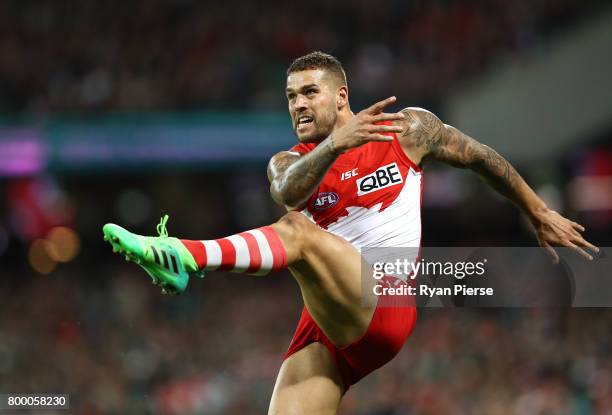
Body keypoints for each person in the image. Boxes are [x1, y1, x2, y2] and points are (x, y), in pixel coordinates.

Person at [102, 51, 598, 414]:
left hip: (385, 299)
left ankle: (182, 255)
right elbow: (286, 191)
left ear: (341, 95)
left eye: (309, 92)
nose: (297, 104)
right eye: (291, 96)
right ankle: (183, 261)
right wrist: (335, 144)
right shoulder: (291, 162)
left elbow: (479, 157)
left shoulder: (407, 130)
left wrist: (535, 209)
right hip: (330, 323)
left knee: (297, 233)